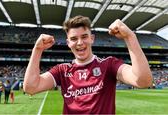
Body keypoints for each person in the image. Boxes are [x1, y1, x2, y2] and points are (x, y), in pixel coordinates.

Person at [23, 15, 152, 114]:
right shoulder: (62, 70)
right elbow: (30, 87)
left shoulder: (109, 65)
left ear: (92, 38)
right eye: (74, 39)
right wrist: (37, 50)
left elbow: (143, 81)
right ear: (68, 43)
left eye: (84, 36)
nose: (79, 42)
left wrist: (130, 37)